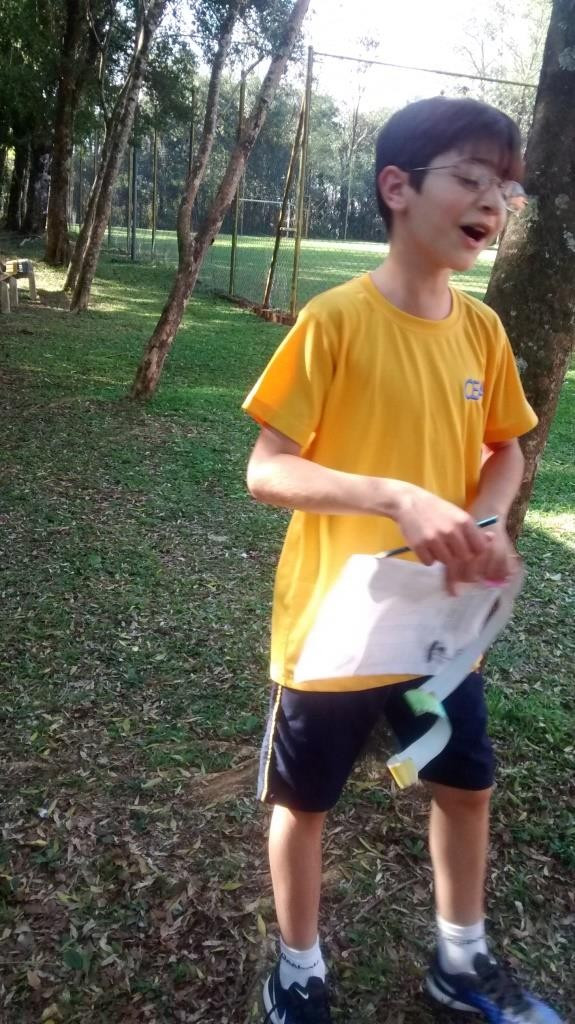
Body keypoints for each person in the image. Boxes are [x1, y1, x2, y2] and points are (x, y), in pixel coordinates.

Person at [242, 96, 562, 1024]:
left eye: (504, 188)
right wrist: (394, 496)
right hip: (333, 634)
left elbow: (505, 448)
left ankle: (460, 960)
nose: (492, 201)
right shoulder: (335, 319)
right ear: (396, 187)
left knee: (465, 786)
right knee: (304, 805)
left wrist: (486, 517)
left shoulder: (481, 331)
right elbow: (267, 469)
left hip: (437, 629)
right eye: (470, 178)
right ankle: (297, 969)